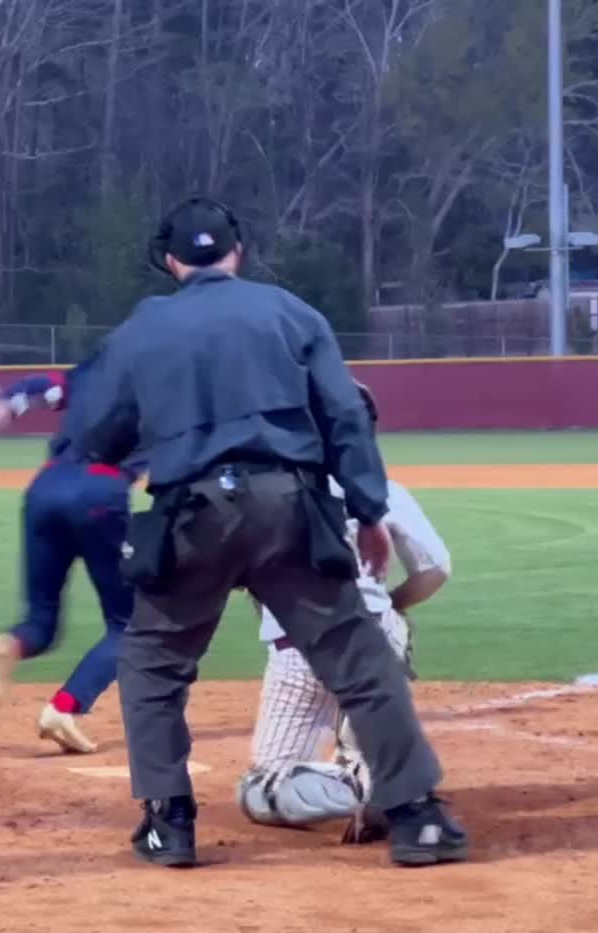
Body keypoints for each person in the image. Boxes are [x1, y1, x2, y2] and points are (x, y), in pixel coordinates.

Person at [67, 196, 467, 869]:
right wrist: (368, 510)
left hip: (190, 509)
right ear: (238, 252)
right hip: (290, 502)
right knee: (358, 657)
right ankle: (418, 818)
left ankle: (170, 823)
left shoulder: (143, 328)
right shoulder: (291, 313)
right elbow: (344, 416)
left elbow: (97, 434)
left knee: (153, 665)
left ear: (171, 262)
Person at [235, 381, 453, 845]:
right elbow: (436, 569)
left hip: (294, 650)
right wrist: (392, 607)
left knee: (261, 791)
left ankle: (364, 779)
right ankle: (376, 778)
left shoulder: (261, 494)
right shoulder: (383, 491)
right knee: (386, 638)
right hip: (373, 637)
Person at [0, 359, 142, 754]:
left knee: (40, 625)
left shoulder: (90, 374)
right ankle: (64, 708)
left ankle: (7, 645)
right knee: (132, 624)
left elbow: (19, 395)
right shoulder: (169, 387)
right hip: (101, 492)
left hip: (44, 488)